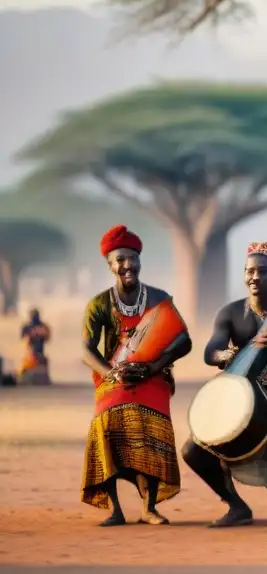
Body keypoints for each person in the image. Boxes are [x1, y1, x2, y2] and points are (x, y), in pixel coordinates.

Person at [181, 240, 267, 531]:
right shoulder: (231, 312)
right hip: (236, 393)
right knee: (191, 451)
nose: (254, 277)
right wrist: (226, 355)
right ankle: (235, 505)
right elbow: (211, 353)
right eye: (249, 271)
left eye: (263, 271)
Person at [81, 225, 193, 526]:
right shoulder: (99, 304)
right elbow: (86, 351)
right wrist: (111, 375)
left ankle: (149, 507)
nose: (127, 265)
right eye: (120, 260)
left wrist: (153, 368)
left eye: (132, 258)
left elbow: (184, 341)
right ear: (110, 265)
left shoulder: (159, 299)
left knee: (151, 426)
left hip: (152, 378)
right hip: (113, 380)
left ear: (139, 261)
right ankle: (114, 509)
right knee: (105, 425)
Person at [18, 308, 52, 385]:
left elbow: (47, 337)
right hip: (30, 355)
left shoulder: (41, 327)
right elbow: (23, 338)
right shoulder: (30, 327)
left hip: (38, 354)